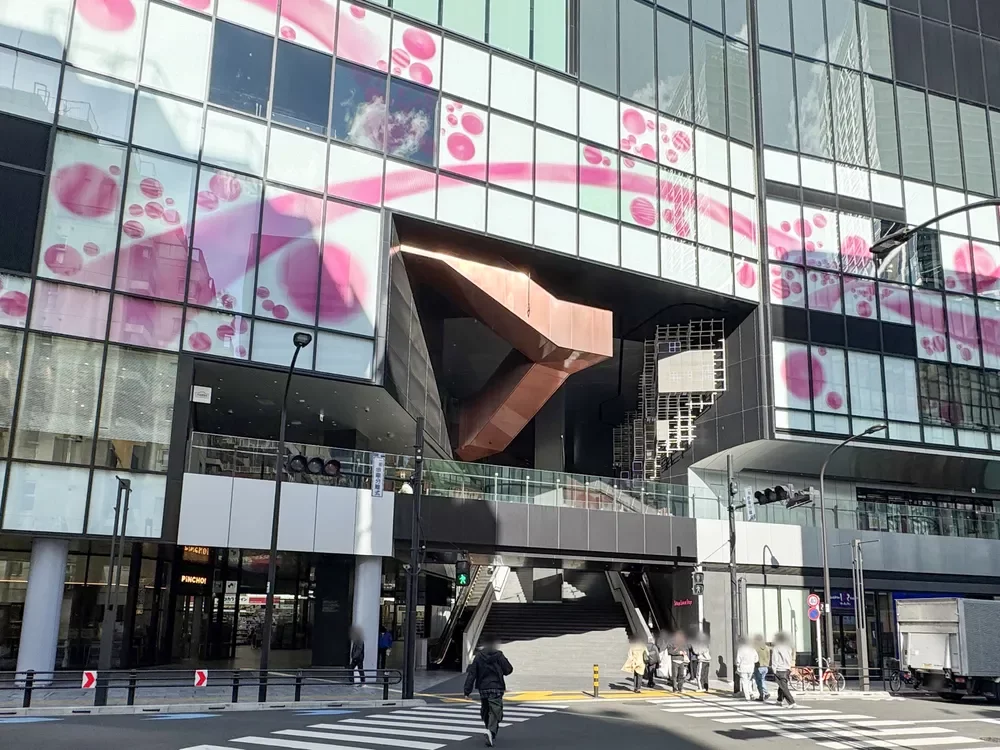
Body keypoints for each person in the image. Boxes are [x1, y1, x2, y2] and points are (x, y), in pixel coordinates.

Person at [464, 635, 513, 747]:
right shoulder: (499, 655)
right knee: (495, 711)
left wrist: (467, 691)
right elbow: (508, 669)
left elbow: (472, 674)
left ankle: (489, 730)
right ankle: (491, 731)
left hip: (483, 688)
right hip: (497, 687)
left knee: (486, 710)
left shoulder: (478, 656)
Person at [771, 632, 798, 708]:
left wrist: (774, 669)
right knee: (782, 685)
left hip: (779, 668)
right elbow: (790, 657)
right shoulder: (788, 647)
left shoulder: (776, 648)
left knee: (783, 687)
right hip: (787, 668)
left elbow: (775, 659)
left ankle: (792, 702)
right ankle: (779, 700)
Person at [736, 636, 758, 701]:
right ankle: (751, 693)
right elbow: (756, 659)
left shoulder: (740, 649)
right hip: (751, 667)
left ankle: (747, 697)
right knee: (749, 681)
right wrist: (752, 662)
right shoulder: (752, 649)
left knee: (744, 682)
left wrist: (738, 666)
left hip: (743, 668)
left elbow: (738, 660)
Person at [752, 634, 771, 702]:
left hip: (758, 666)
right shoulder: (767, 647)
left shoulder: (756, 648)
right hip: (765, 666)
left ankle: (765, 693)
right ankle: (761, 695)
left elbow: (754, 657)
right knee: (762, 680)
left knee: (759, 681)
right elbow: (769, 657)